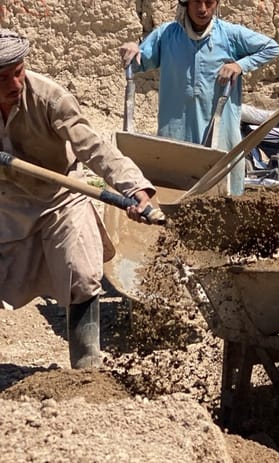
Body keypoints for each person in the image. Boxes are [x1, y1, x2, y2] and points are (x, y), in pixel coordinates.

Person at [0, 30, 156, 369]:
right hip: (8, 202)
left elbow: (93, 147)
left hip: (61, 197)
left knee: (83, 274)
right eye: (3, 77)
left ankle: (87, 369)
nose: (14, 83)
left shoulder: (49, 98)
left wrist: (134, 189)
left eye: (19, 71)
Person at [119, 0, 279, 195]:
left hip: (218, 125)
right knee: (176, 180)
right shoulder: (167, 34)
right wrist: (132, 47)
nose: (202, 8)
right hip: (176, 125)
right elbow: (139, 62)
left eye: (209, 2)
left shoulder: (230, 35)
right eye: (196, 1)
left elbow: (272, 47)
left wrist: (240, 65)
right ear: (186, 2)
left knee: (221, 184)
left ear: (216, 5)